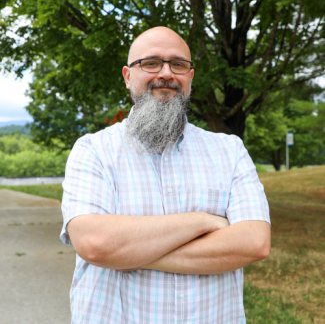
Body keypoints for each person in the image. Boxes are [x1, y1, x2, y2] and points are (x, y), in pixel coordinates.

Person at [60, 26, 271, 324]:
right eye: (151, 63)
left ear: (190, 78)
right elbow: (95, 243)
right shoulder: (93, 150)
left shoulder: (229, 150)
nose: (167, 73)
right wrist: (203, 222)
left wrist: (129, 255)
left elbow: (254, 242)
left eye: (178, 64)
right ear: (127, 76)